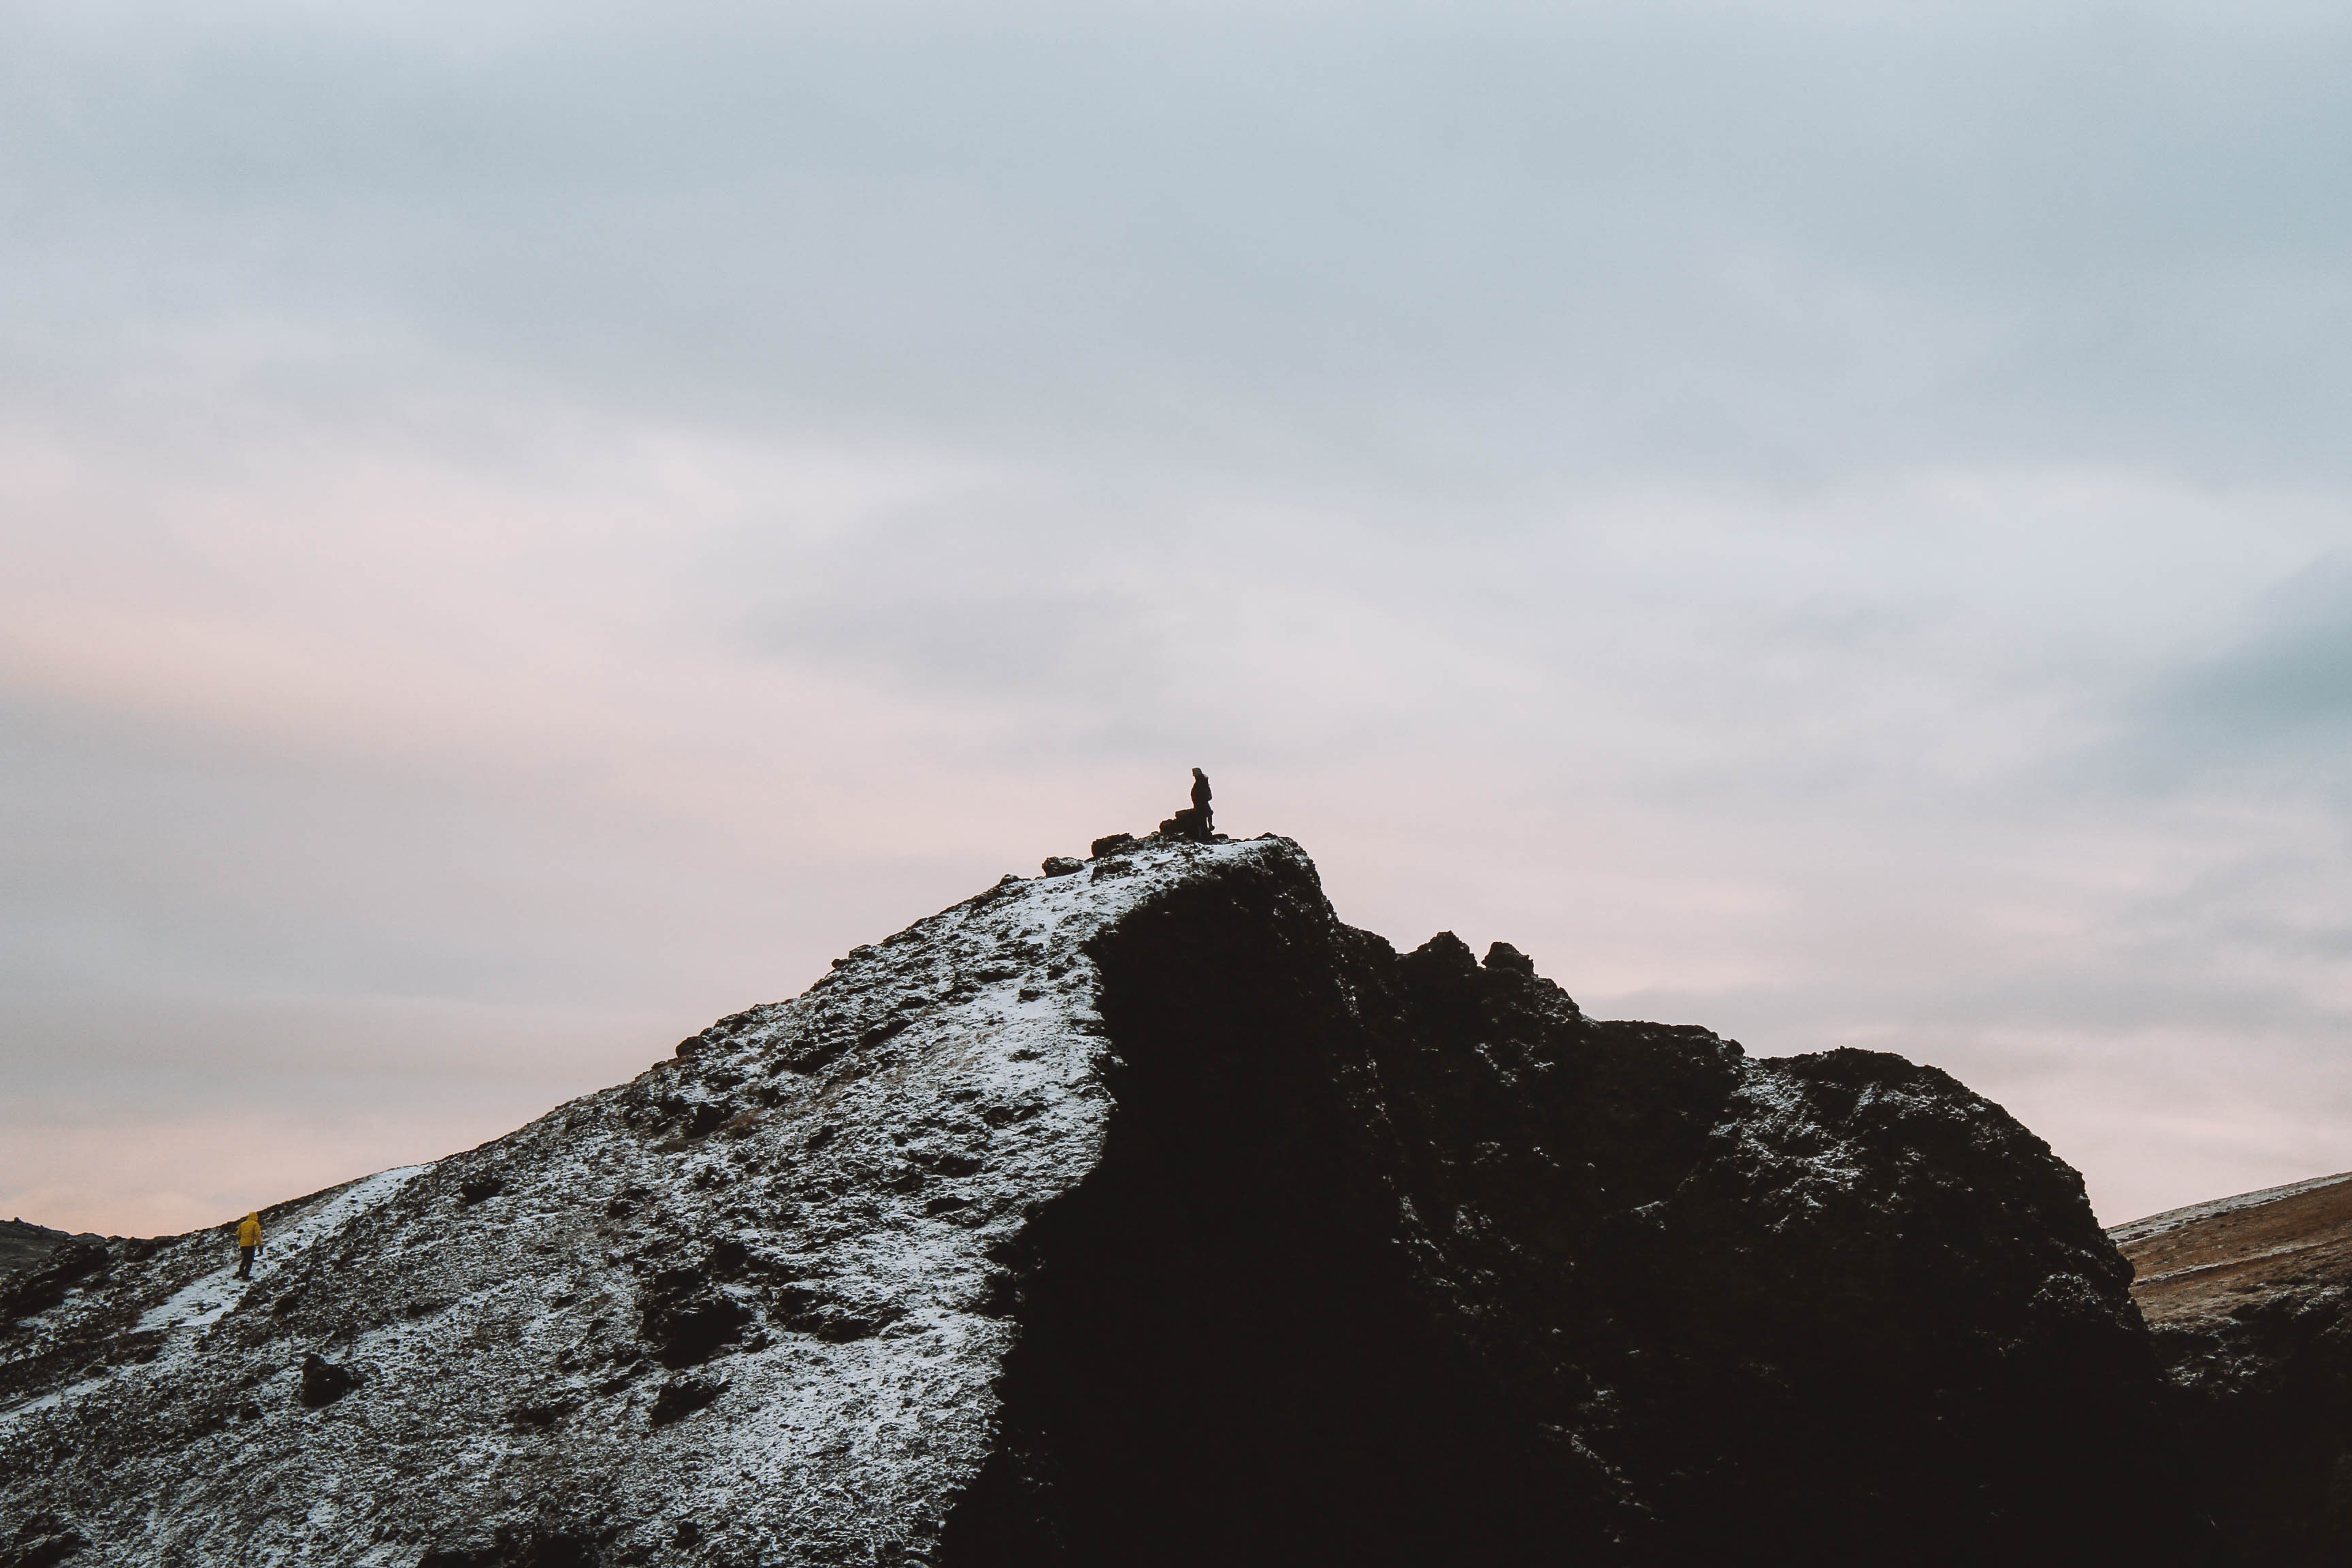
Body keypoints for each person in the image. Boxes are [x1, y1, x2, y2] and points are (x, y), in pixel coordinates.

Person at [235, 1211, 262, 1280]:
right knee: (250, 1260)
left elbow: (238, 1234)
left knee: (245, 1259)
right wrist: (260, 1244)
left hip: (242, 1245)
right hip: (250, 1244)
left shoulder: (242, 1224)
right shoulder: (255, 1224)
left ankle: (241, 1272)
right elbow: (257, 1235)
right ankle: (246, 1276)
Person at [1190, 767, 1212, 832]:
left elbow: (1197, 793)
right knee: (1208, 814)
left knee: (1201, 818)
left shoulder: (1200, 783)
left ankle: (1205, 830)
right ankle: (1209, 826)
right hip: (1202, 802)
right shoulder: (1203, 781)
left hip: (1200, 803)